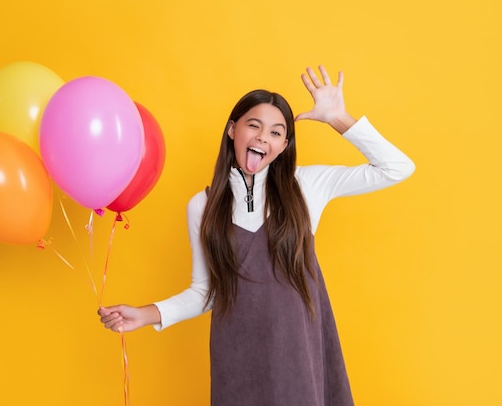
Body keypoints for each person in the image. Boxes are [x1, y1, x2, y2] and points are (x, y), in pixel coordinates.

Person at [98, 65, 416, 406]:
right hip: (237, 358)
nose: (264, 137)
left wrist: (339, 118)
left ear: (283, 146)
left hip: (299, 356)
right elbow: (207, 291)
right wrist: (146, 314)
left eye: (277, 132)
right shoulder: (202, 206)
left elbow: (396, 167)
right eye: (254, 125)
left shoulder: (306, 186)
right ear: (233, 130)